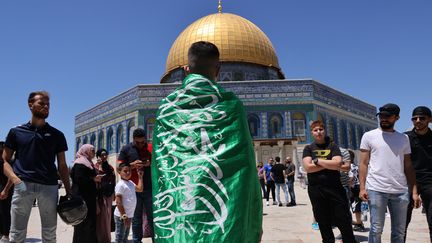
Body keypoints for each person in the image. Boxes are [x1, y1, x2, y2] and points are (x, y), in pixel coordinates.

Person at [151, 41, 262, 242]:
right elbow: (245, 170)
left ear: (186, 70)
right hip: (222, 216)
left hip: (182, 205)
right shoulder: (231, 105)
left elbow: (162, 167)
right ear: (218, 69)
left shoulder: (167, 109)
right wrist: (252, 220)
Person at [2, 91, 71, 243]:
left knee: (49, 234)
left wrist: (69, 190)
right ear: (30, 105)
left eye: (48, 104)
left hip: (49, 187)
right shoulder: (16, 132)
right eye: (42, 103)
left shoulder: (57, 135)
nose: (46, 106)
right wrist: (15, 180)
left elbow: (62, 165)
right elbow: (5, 161)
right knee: (17, 234)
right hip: (23, 186)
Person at [359, 103, 420, 243]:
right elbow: (363, 163)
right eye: (381, 116)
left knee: (399, 231)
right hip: (376, 189)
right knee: (376, 229)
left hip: (400, 190)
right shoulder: (369, 136)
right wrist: (362, 188)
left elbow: (408, 165)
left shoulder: (404, 138)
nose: (384, 119)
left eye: (388, 116)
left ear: (397, 118)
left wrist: (414, 191)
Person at [302, 120, 356, 243]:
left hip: (334, 187)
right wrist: (330, 164)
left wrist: (318, 161)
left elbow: (338, 163)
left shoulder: (333, 146)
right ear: (312, 133)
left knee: (343, 218)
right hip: (316, 189)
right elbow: (308, 168)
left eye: (320, 129)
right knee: (322, 220)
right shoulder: (308, 148)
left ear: (325, 130)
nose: (318, 132)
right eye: (315, 130)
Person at [117, 128, 153, 243]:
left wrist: (149, 163)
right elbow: (119, 167)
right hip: (134, 190)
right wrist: (132, 165)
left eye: (143, 142)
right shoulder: (126, 149)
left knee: (152, 217)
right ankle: (137, 241)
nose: (141, 145)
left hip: (149, 188)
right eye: (138, 142)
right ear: (133, 140)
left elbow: (160, 164)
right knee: (137, 219)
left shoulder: (150, 148)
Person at [404, 106, 432, 241]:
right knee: (402, 222)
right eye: (415, 118)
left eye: (422, 118)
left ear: (430, 120)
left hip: (429, 182)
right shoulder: (405, 138)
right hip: (408, 182)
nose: (418, 121)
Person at [71, 144, 103, 243]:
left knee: (90, 224)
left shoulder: (88, 163)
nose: (94, 152)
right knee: (82, 225)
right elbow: (78, 179)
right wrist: (93, 178)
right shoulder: (80, 163)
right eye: (92, 150)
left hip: (89, 198)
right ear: (86, 151)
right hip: (82, 199)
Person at [114, 163, 143, 243]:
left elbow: (140, 189)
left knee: (124, 239)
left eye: (129, 171)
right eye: (125, 171)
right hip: (122, 216)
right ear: (119, 172)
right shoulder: (120, 185)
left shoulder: (130, 182)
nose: (127, 173)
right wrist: (124, 216)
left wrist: (140, 177)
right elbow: (118, 202)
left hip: (129, 215)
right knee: (119, 238)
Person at [95, 148, 116, 243]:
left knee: (107, 217)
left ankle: (106, 239)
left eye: (105, 154)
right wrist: (99, 167)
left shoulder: (110, 167)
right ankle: (99, 238)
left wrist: (114, 193)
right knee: (100, 217)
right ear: (98, 156)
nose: (104, 156)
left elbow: (113, 180)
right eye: (102, 155)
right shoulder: (95, 167)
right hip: (99, 195)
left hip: (108, 195)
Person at [348, 150, 365, 232]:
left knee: (355, 205)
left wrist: (347, 185)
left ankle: (359, 223)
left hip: (354, 188)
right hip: (357, 187)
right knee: (356, 205)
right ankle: (358, 222)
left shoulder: (350, 166)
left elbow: (351, 178)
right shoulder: (356, 165)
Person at [0, 141, 13, 243]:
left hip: (5, 190)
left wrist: (6, 190)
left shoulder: (8, 162)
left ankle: (5, 234)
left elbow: (11, 177)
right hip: (4, 189)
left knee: (5, 212)